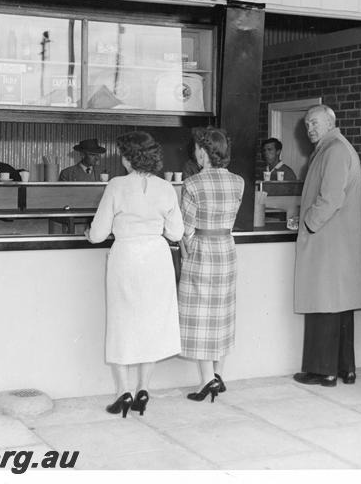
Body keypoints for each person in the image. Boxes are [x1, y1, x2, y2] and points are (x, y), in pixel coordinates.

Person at [85, 131, 183, 418]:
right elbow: (176, 232)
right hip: (157, 256)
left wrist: (89, 233)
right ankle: (143, 390)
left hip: (127, 257)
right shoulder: (166, 188)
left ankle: (123, 393)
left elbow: (99, 232)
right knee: (151, 322)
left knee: (123, 322)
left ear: (127, 157)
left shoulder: (116, 185)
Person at [292, 105, 361, 387]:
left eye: (315, 122)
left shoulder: (335, 150)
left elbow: (330, 198)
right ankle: (344, 368)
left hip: (328, 241)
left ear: (330, 122)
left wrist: (308, 223)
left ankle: (323, 371)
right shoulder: (336, 147)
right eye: (307, 124)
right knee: (339, 307)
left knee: (324, 305)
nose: (310, 129)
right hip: (337, 242)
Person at [178, 127, 244, 402]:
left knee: (200, 315)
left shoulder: (193, 184)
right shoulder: (239, 182)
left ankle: (206, 380)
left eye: (197, 148)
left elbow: (185, 228)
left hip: (202, 251)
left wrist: (185, 249)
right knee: (222, 314)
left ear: (204, 152)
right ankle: (218, 374)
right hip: (226, 250)